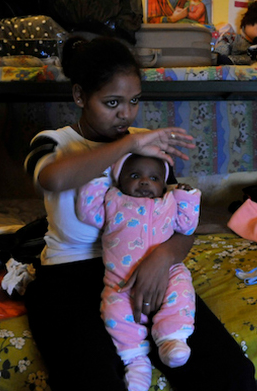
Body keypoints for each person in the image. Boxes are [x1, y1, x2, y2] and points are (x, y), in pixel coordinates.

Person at [23, 36, 257, 391]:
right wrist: (130, 143)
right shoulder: (54, 142)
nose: (126, 114)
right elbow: (51, 179)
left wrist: (163, 259)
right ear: (80, 96)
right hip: (70, 276)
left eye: (134, 101)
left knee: (231, 375)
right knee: (93, 381)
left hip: (145, 266)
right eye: (112, 102)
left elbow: (182, 222)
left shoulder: (148, 149)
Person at [75, 153, 200, 391]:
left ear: (163, 184)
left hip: (168, 272)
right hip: (121, 280)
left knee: (182, 290)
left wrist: (186, 196)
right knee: (114, 312)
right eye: (134, 175)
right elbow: (88, 212)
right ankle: (135, 361)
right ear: (119, 180)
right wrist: (97, 180)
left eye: (154, 178)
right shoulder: (113, 200)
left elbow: (187, 226)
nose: (144, 181)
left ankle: (171, 338)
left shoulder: (169, 201)